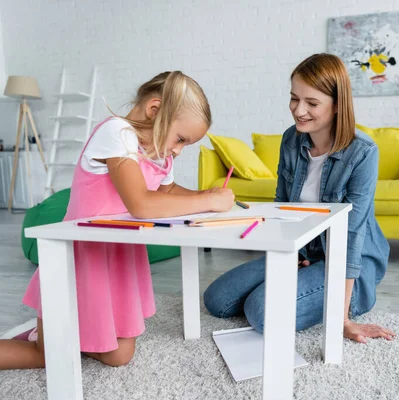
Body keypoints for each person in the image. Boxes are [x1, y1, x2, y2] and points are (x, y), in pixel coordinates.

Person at [0, 71, 234, 370]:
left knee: (119, 355)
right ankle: (44, 339)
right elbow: (141, 204)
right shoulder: (117, 133)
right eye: (180, 139)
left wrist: (207, 193)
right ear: (154, 110)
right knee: (48, 357)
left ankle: (67, 334)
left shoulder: (160, 154)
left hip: (119, 256)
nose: (178, 150)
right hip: (81, 257)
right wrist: (209, 201)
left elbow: (170, 191)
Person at [204, 54, 395, 343]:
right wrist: (286, 255)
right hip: (306, 253)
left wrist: (340, 319)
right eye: (294, 98)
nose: (298, 110)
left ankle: (350, 300)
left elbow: (351, 234)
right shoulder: (291, 140)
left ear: (338, 104)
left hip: (347, 263)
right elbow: (281, 206)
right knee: (217, 299)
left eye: (312, 103)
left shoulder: (363, 152)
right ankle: (296, 289)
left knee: (261, 312)